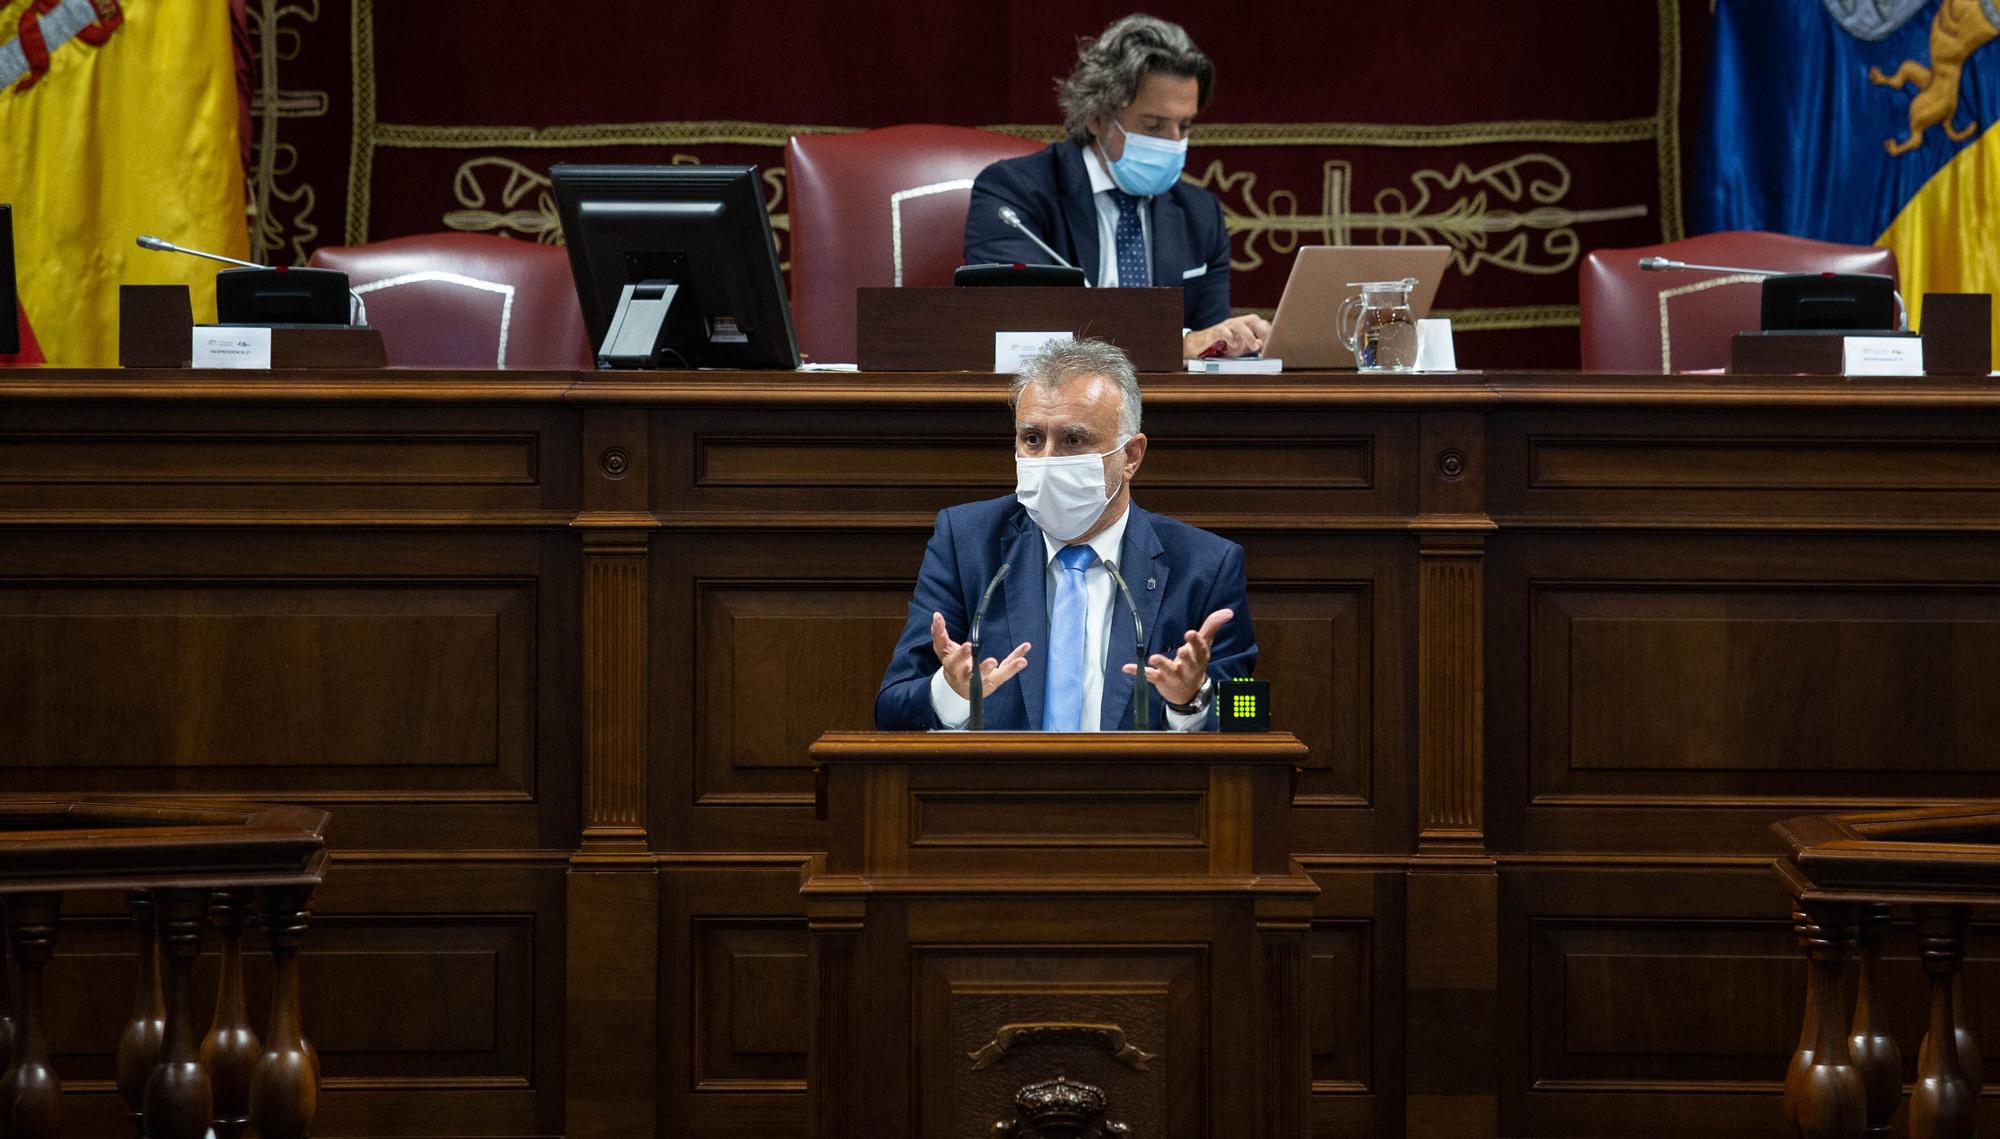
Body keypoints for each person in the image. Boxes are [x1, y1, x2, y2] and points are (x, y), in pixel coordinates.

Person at [876, 338, 1256, 731]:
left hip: (1139, 789)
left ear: (1131, 456)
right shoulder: (966, 543)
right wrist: (951, 692)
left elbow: (1248, 717)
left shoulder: (1207, 565)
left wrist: (1190, 701)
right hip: (996, 787)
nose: (1047, 461)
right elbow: (891, 709)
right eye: (1033, 439)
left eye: (1073, 441)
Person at [962, 14, 1270, 360]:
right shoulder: (1014, 194)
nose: (1174, 143)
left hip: (1176, 409)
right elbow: (1022, 332)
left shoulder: (1200, 214)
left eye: (1184, 125)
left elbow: (1211, 344)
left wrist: (1232, 342)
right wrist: (1176, 344)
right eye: (1154, 126)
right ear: (1097, 117)